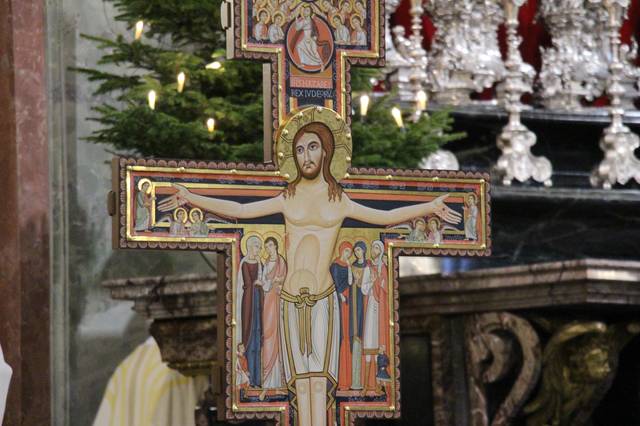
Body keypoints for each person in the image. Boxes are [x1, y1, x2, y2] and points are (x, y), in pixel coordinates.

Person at [159, 120, 461, 426]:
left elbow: (386, 217)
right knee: (300, 385)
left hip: (323, 300)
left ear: (326, 152)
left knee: (319, 382)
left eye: (312, 147)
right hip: (290, 300)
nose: (306, 156)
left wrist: (428, 207)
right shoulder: (287, 197)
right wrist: (192, 197)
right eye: (300, 150)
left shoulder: (339, 200)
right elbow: (240, 210)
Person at [258, 236, 287, 399]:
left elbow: (286, 280)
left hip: (279, 300)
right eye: (266, 246)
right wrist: (266, 282)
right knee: (269, 336)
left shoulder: (281, 262)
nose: (268, 249)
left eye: (270, 245)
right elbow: (264, 282)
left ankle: (281, 384)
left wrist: (279, 281)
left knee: (280, 338)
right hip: (269, 301)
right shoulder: (266, 263)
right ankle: (267, 384)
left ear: (275, 245)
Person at [362, 240, 388, 393]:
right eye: (373, 247)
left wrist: (380, 281)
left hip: (381, 307)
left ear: (381, 251)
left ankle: (379, 386)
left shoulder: (383, 268)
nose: (374, 250)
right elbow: (364, 290)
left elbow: (387, 287)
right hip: (371, 304)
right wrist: (372, 282)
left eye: (377, 247)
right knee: (369, 342)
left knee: (379, 345)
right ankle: (366, 385)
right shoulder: (368, 268)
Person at [238, 235, 264, 388]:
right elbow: (247, 283)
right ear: (249, 247)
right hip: (249, 301)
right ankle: (250, 379)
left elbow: (262, 281)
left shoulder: (260, 263)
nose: (258, 250)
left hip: (258, 300)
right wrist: (257, 283)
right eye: (256, 246)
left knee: (258, 338)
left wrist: (260, 283)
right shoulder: (245, 263)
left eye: (260, 247)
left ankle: (258, 379)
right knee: (249, 336)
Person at [330, 241, 353, 391]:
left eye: (349, 252)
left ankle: (347, 378)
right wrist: (340, 294)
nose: (347, 254)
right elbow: (334, 282)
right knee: (341, 333)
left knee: (347, 332)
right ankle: (338, 378)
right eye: (346, 251)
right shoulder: (335, 265)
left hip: (347, 299)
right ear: (340, 251)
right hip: (339, 300)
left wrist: (349, 267)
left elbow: (350, 282)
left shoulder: (347, 265)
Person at [350, 240, 369, 391]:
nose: (357, 252)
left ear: (363, 250)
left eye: (359, 250)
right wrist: (354, 281)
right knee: (355, 334)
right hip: (355, 303)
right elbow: (351, 283)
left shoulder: (369, 266)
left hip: (366, 302)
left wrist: (360, 282)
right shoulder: (352, 266)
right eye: (355, 250)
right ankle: (355, 380)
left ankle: (363, 380)